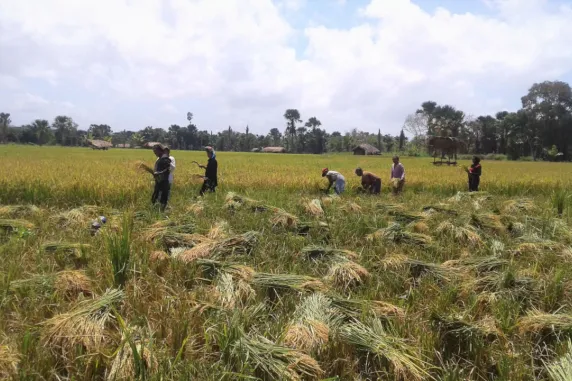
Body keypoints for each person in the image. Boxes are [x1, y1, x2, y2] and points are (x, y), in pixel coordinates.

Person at [151, 144, 171, 211]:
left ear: (160, 151)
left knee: (162, 199)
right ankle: (156, 212)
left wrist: (159, 173)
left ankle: (161, 214)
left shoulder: (165, 159)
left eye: (155, 152)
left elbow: (168, 169)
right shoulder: (160, 159)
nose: (155, 154)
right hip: (159, 182)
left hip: (163, 183)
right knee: (155, 198)